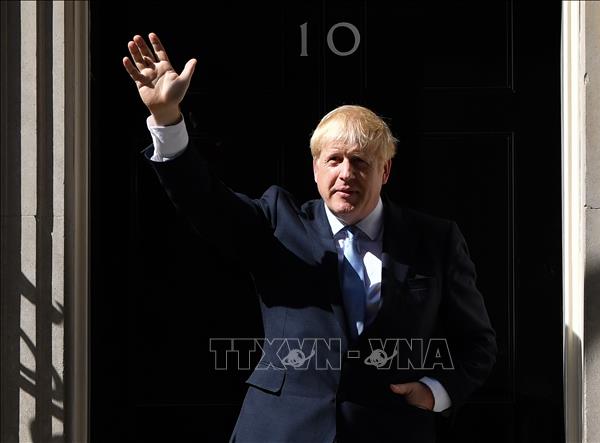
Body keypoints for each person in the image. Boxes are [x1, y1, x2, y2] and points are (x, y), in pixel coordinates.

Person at [123, 32, 497, 443]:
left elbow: (477, 344)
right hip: (282, 429)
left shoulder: (435, 239)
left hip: (389, 429)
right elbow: (205, 202)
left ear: (385, 171)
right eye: (334, 160)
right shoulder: (277, 221)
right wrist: (167, 118)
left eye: (360, 161)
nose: (346, 173)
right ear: (316, 169)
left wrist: (436, 392)